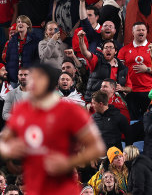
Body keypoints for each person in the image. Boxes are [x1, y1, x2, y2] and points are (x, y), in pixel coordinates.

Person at [0, 62, 105, 195]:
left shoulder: (71, 111)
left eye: (38, 78)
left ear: (49, 82)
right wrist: (9, 149)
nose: (31, 81)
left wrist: (69, 163)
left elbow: (97, 147)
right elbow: (3, 140)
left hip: (64, 190)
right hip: (34, 190)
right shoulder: (22, 109)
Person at [117, 22, 152, 120]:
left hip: (149, 91)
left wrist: (147, 69)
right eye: (138, 30)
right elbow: (119, 70)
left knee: (150, 120)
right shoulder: (124, 50)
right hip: (131, 91)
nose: (141, 32)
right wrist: (122, 87)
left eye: (143, 30)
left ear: (146, 32)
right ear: (133, 32)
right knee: (132, 120)